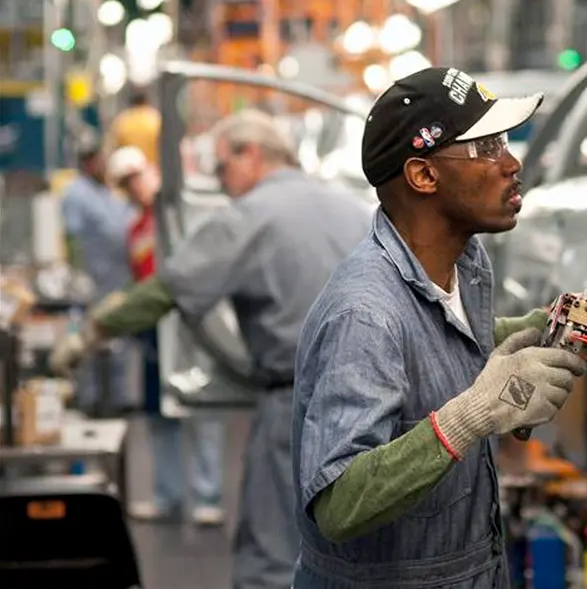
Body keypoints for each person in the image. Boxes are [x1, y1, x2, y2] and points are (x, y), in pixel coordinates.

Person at [50, 109, 374, 589]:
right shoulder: (353, 208)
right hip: (379, 403)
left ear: (252, 154)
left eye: (223, 169)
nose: (221, 185)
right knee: (364, 552)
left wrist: (90, 335)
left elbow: (170, 290)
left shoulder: (250, 216)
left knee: (272, 554)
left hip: (299, 407)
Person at [291, 67, 587, 588]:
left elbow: (433, 345)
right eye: (488, 147)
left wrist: (547, 329)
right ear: (424, 176)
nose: (512, 163)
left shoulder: (466, 265)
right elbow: (337, 505)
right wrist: (472, 415)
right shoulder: (363, 317)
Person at [105, 145, 227, 526]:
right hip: (154, 332)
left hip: (191, 328)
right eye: (127, 184)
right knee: (159, 416)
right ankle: (168, 495)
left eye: (137, 177)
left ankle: (209, 495)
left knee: (202, 409)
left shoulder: (182, 217)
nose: (135, 188)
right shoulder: (136, 228)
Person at [60, 135, 134, 414]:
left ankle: (117, 398)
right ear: (87, 162)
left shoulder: (106, 192)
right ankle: (87, 398)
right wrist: (75, 274)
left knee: (116, 339)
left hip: (115, 278)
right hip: (91, 280)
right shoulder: (76, 193)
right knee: (85, 339)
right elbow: (71, 237)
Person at [108, 87, 162, 167]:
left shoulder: (122, 121)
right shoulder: (155, 118)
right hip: (153, 167)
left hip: (130, 169)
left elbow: (114, 147)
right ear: (146, 101)